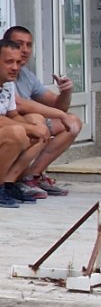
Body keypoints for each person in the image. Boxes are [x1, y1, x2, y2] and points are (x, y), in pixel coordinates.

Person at [4, 26, 78, 196]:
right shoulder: (4, 73)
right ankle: (12, 180)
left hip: (18, 124)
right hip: (10, 127)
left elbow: (58, 106)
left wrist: (65, 92)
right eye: (19, 44)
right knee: (36, 120)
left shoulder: (26, 74)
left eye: (29, 45)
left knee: (73, 122)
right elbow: (17, 105)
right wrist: (57, 115)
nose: (24, 50)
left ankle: (32, 175)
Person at [0, 41, 50, 208]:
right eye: (9, 62)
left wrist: (37, 129)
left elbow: (12, 114)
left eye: (18, 62)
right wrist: (30, 129)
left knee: (38, 126)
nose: (15, 67)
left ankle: (8, 183)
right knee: (17, 133)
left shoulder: (8, 84)